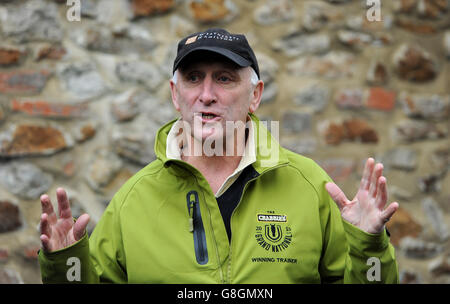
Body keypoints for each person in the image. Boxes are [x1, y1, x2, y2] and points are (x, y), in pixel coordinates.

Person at [38, 28, 399, 284]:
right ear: (175, 95)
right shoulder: (133, 199)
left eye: (225, 79)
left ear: (255, 95)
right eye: (193, 78)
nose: (206, 94)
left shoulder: (308, 185)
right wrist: (66, 266)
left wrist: (369, 245)